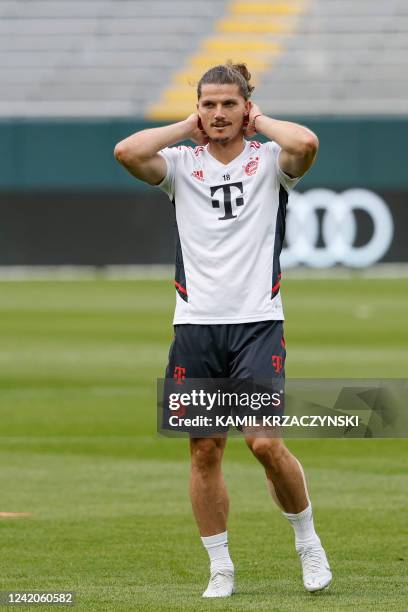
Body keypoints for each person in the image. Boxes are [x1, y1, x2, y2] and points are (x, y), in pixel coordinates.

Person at [114, 62, 332, 598]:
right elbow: (126, 152)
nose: (217, 114)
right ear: (197, 107)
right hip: (196, 326)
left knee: (262, 443)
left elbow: (305, 141)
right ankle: (221, 566)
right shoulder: (180, 165)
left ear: (246, 107)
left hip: (257, 322)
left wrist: (262, 120)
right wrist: (182, 128)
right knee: (205, 450)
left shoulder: (271, 162)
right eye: (208, 104)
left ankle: (307, 541)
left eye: (228, 104)